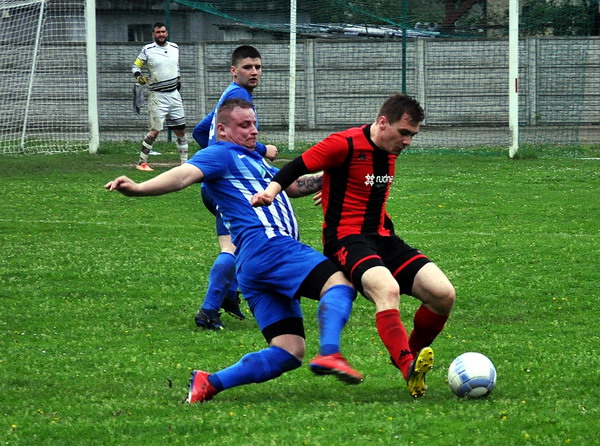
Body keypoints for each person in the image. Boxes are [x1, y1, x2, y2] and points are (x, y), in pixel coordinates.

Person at [105, 98, 363, 404]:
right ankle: (330, 352)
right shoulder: (220, 153)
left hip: (253, 264)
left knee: (289, 351)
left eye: (254, 124)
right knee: (340, 283)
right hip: (271, 247)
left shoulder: (255, 160)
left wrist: (335, 176)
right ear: (223, 130)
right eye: (244, 125)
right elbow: (183, 175)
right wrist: (139, 188)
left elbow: (292, 186)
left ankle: (209, 383)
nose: (253, 130)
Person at [251, 94, 456, 398]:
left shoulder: (390, 147)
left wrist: (335, 184)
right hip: (346, 240)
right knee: (387, 290)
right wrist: (270, 191)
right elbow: (296, 167)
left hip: (383, 237)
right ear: (383, 122)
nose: (408, 141)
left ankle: (407, 353)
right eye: (404, 132)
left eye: (413, 135)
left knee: (443, 294)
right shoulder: (343, 143)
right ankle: (408, 368)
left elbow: (360, 181)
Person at [191, 45, 278, 330]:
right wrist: (261, 150)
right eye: (247, 67)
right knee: (238, 244)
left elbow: (200, 131)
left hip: (218, 182)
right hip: (229, 186)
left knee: (240, 241)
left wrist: (217, 158)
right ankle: (211, 308)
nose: (254, 72)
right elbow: (228, 140)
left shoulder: (230, 96)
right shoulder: (237, 97)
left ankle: (229, 293)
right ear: (234, 70)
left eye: (258, 67)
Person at [131, 22, 188, 172]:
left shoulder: (175, 48)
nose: (161, 34)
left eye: (163, 32)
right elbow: (136, 66)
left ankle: (185, 164)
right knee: (155, 131)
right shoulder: (147, 49)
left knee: (181, 130)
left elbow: (176, 67)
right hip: (157, 96)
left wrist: (178, 81)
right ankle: (142, 163)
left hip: (174, 95)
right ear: (153, 34)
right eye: (158, 32)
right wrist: (138, 76)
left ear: (167, 33)